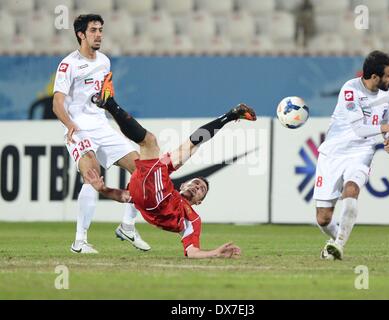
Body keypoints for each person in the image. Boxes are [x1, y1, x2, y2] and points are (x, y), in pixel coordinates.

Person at [85, 72, 257, 258]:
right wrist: (103, 190)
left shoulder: (193, 218)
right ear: (182, 184)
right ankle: (229, 116)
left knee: (150, 142)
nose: (197, 186)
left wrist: (215, 253)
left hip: (157, 199)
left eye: (201, 190)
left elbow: (192, 252)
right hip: (149, 192)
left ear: (199, 201)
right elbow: (127, 196)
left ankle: (108, 102)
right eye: (196, 183)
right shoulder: (165, 175)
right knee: (187, 146)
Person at [52, 14, 150, 254]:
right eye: (93, 30)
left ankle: (127, 226)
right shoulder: (69, 64)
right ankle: (80, 241)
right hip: (79, 128)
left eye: (100, 30)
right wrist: (70, 125)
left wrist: (106, 102)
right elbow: (57, 103)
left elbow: (104, 96)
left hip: (101, 126)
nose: (99, 34)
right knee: (92, 175)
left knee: (143, 169)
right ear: (81, 34)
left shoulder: (105, 61)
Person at [314, 51, 389, 260]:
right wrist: (386, 128)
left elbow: (387, 118)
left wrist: (388, 137)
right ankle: (334, 241)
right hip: (333, 154)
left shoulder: (387, 93)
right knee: (323, 219)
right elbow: (359, 129)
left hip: (362, 153)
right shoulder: (350, 89)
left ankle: (339, 246)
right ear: (374, 77)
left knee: (351, 190)